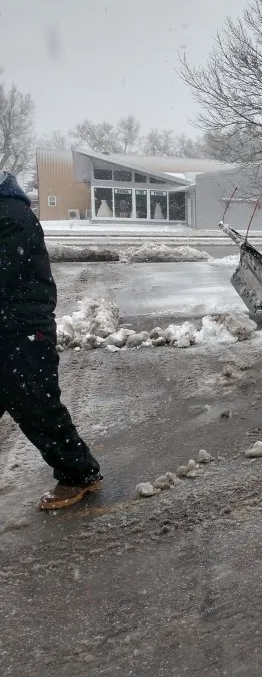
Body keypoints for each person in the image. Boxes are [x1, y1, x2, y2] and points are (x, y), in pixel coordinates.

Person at [0, 172, 102, 510]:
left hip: (22, 332)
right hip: (10, 330)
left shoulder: (11, 215)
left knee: (38, 408)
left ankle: (79, 474)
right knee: (35, 406)